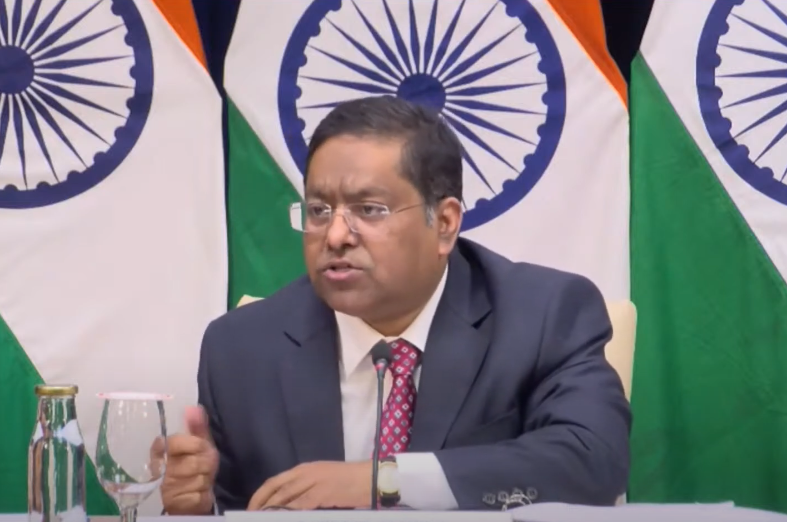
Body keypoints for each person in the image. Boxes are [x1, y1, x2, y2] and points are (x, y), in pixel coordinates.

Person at [159, 96, 631, 513]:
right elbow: (235, 505)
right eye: (319, 210)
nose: (336, 236)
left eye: (369, 210)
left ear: (444, 224)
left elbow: (591, 462)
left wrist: (383, 481)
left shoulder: (543, 315)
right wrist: (195, 510)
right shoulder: (241, 348)